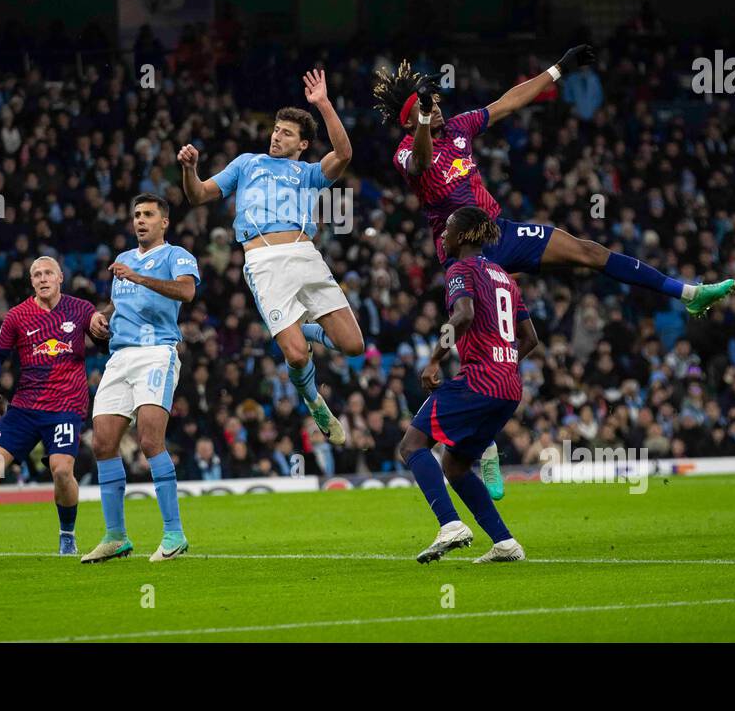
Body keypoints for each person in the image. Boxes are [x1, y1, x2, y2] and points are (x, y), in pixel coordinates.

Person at [373, 50, 735, 501]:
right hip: (464, 255)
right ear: (411, 120)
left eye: (436, 103)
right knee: (485, 341)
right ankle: (481, 445)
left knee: (586, 251)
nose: (438, 108)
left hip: (499, 232)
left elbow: (509, 101)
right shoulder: (408, 149)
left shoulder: (462, 128)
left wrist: (557, 69)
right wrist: (424, 120)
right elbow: (423, 164)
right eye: (427, 107)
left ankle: (688, 292)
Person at [179, 68, 363, 445]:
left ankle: (307, 327)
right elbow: (197, 195)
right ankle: (313, 399)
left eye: (287, 133)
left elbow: (344, 153)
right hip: (264, 262)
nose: (277, 136)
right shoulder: (247, 163)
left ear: (302, 144)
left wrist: (324, 104)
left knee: (353, 346)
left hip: (305, 255)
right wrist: (189, 169)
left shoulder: (309, 172)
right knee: (296, 356)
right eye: (276, 130)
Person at [0, 256, 109, 557]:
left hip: (65, 407)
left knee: (61, 471)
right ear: (32, 282)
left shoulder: (81, 309)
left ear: (60, 278)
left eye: (48, 273)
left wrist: (102, 330)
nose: (43, 278)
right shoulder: (17, 316)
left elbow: (103, 341)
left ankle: (67, 534)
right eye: (37, 274)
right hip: (25, 408)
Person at [398, 206, 540, 563]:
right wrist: (504, 362)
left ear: (462, 236)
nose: (442, 236)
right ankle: (505, 542)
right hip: (509, 386)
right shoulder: (505, 277)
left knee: (412, 444)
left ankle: (450, 524)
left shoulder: (460, 269)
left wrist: (434, 359)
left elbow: (463, 315)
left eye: (446, 229)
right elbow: (531, 338)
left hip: (479, 380)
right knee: (456, 466)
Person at [81, 194, 198, 564]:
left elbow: (186, 291)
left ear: (164, 222)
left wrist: (139, 277)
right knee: (102, 443)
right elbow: (119, 305)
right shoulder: (124, 261)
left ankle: (174, 533)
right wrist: (101, 317)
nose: (140, 220)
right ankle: (116, 537)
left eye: (148, 214)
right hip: (119, 356)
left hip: (156, 353)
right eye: (136, 215)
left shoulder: (176, 255)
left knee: (149, 439)